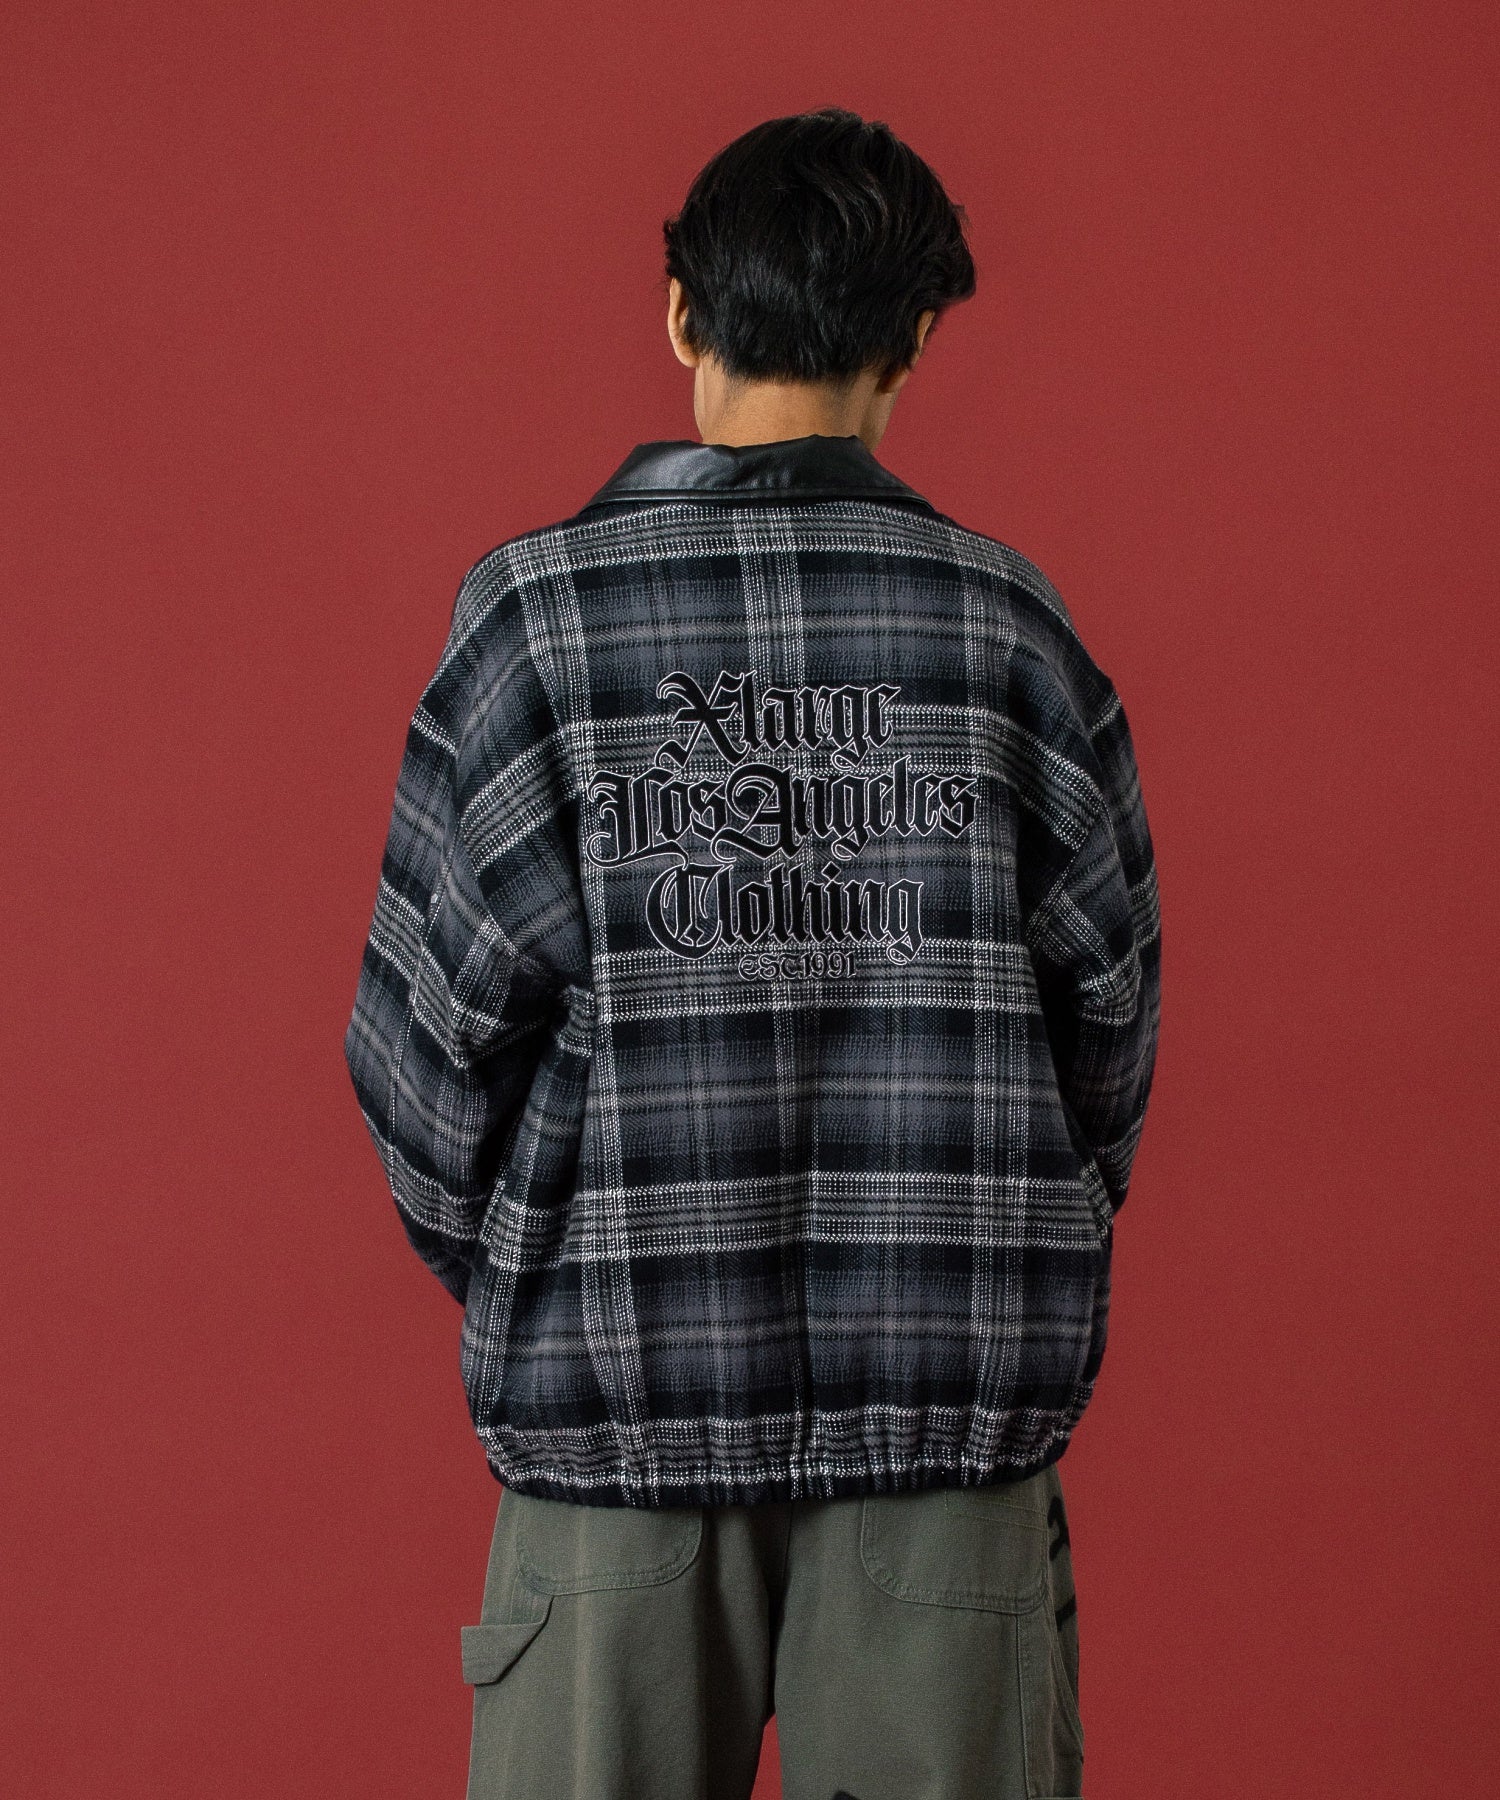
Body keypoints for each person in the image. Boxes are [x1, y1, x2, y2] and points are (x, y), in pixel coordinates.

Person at [343, 105, 1161, 1800]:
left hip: (614, 1415)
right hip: (946, 1424)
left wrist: (548, 1271)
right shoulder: (1009, 630)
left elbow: (422, 1063)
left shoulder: (536, 626)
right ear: (914, 341)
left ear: (679, 311)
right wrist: (999, 1247)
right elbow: (1108, 1028)